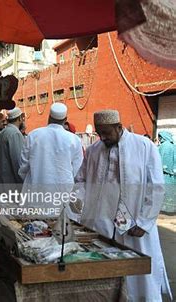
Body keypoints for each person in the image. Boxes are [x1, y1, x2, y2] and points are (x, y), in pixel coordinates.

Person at [76, 110, 172, 301]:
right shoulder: (94, 150)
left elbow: (157, 187)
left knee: (138, 277)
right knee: (104, 274)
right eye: (99, 133)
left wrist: (144, 222)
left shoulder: (143, 146)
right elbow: (81, 179)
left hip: (134, 225)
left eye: (107, 133)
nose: (103, 137)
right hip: (101, 223)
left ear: (119, 127)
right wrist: (77, 203)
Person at [19, 103, 83, 216]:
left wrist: (35, 177)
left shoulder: (33, 135)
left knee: (36, 229)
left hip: (35, 193)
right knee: (61, 229)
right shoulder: (74, 140)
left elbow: (23, 167)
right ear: (65, 120)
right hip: (62, 195)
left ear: (49, 117)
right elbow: (76, 171)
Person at [0, 108, 25, 184]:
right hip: (11, 182)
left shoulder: (4, 131)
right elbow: (17, 160)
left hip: (3, 179)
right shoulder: (15, 133)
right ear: (19, 118)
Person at [158, 131, 176, 213]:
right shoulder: (173, 146)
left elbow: (162, 160)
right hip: (172, 174)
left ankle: (165, 209)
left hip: (164, 173)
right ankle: (171, 209)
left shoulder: (164, 146)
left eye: (160, 137)